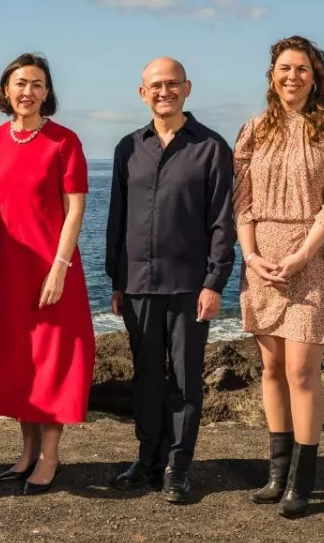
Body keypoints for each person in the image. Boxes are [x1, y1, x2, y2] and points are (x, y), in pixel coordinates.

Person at [233, 35, 324, 518]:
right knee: (271, 369)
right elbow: (241, 202)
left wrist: (303, 255)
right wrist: (250, 256)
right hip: (263, 261)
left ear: (315, 76)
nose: (293, 76)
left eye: (302, 68)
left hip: (311, 258)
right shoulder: (254, 129)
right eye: (285, 68)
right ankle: (277, 474)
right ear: (272, 75)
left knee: (301, 371)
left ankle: (302, 482)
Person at [105, 57, 235, 504]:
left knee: (184, 380)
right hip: (137, 283)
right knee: (145, 378)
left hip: (188, 285)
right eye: (156, 85)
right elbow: (118, 218)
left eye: (172, 84)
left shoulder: (212, 147)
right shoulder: (127, 148)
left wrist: (214, 283)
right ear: (143, 93)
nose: (165, 91)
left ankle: (178, 467)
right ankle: (147, 460)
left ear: (187, 88)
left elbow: (222, 221)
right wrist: (116, 278)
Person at [0, 52, 94, 496]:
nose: (28, 91)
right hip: (9, 269)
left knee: (52, 360)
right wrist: (15, 238)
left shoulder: (64, 141)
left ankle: (49, 456)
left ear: (47, 93)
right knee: (18, 359)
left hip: (54, 268)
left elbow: (75, 209)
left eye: (37, 84)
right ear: (6, 91)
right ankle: (26, 452)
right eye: (20, 83)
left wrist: (58, 266)